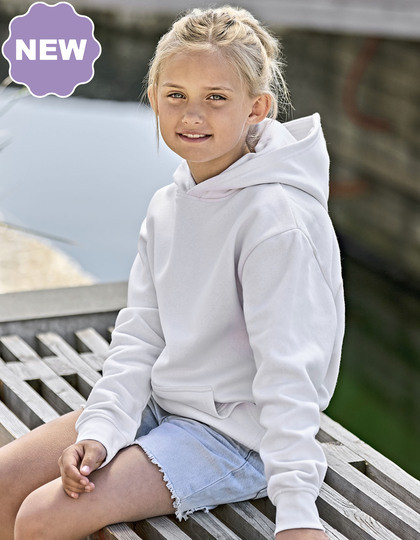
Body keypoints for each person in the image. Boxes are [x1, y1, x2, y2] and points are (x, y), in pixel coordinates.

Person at [0, 6, 344, 540]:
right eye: (176, 95)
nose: (192, 115)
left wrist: (297, 511)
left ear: (257, 107)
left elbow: (289, 372)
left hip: (238, 437)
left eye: (216, 98)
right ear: (154, 98)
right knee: (4, 481)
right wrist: (102, 429)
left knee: (43, 517)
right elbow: (141, 334)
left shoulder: (276, 221)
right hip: (162, 404)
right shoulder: (169, 204)